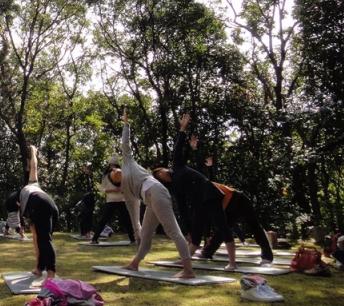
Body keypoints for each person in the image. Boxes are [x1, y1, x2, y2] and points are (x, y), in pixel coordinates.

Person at [117, 108, 195, 278]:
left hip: (156, 191)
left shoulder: (128, 164)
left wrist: (126, 124)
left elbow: (125, 144)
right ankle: (134, 264)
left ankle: (188, 270)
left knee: (172, 231)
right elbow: (134, 218)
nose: (115, 172)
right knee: (145, 234)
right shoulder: (126, 193)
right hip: (150, 200)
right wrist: (137, 239)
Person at [152, 114, 238, 270]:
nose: (163, 171)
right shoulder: (175, 189)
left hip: (210, 194)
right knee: (196, 230)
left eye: (162, 170)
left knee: (222, 225)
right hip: (199, 202)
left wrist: (182, 129)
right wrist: (188, 230)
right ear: (162, 180)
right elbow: (183, 209)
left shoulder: (177, 167)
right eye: (159, 174)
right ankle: (186, 259)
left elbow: (177, 148)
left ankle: (232, 263)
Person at [190, 138, 274, 265]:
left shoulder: (202, 184)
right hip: (227, 207)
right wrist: (206, 235)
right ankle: (208, 252)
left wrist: (195, 150)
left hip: (239, 199)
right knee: (222, 229)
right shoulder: (199, 196)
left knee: (254, 226)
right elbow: (205, 217)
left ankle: (267, 256)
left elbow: (200, 170)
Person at [7, 145, 59, 280]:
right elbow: (34, 167)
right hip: (51, 204)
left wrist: (20, 230)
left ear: (17, 203)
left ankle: (51, 273)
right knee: (44, 239)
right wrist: (33, 153)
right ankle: (40, 268)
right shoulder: (31, 184)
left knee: (43, 239)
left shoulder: (22, 205)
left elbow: (33, 238)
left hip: (40, 205)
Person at [89, 157, 135, 245]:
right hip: (111, 201)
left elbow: (128, 187)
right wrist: (112, 190)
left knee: (127, 220)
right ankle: (94, 239)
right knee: (103, 220)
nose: (112, 167)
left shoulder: (123, 175)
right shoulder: (106, 176)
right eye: (111, 165)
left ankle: (132, 239)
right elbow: (101, 189)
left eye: (114, 165)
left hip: (121, 200)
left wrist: (122, 189)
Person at [74, 166, 95, 239]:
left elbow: (89, 184)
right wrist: (87, 174)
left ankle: (87, 232)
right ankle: (84, 232)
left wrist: (87, 174)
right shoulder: (86, 200)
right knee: (84, 219)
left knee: (87, 219)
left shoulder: (91, 204)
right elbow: (88, 184)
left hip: (88, 207)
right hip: (85, 207)